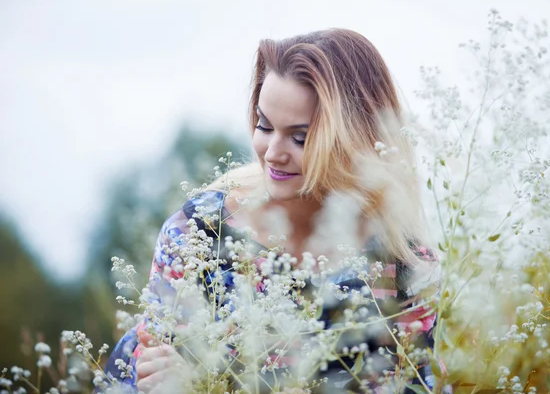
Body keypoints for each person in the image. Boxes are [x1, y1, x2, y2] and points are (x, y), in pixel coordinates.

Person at [103, 28, 451, 393]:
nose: (272, 153)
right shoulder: (200, 235)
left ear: (353, 138)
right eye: (264, 126)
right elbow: (154, 364)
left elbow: (413, 383)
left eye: (300, 138)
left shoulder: (399, 266)